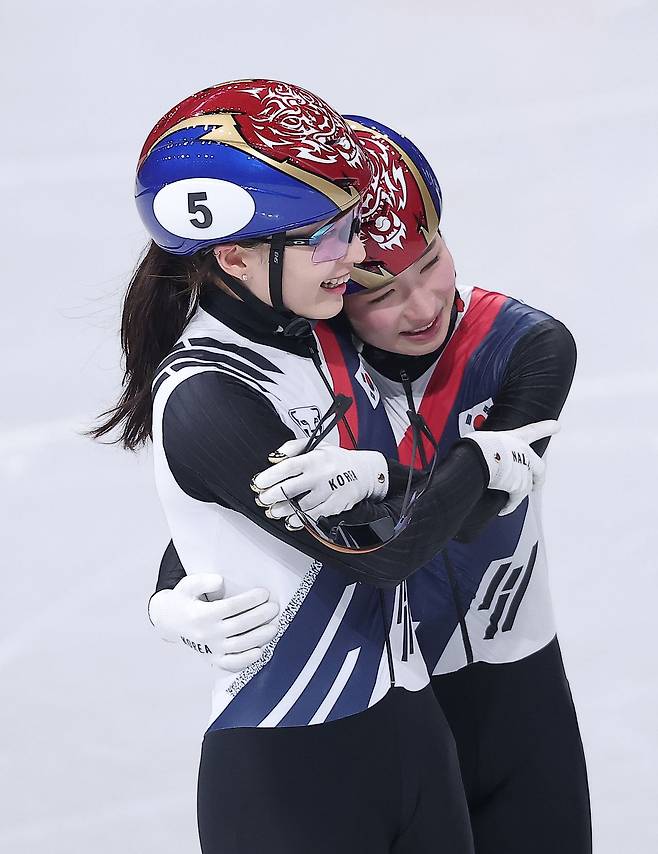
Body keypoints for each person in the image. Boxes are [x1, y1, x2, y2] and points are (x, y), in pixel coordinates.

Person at [95, 80, 554, 854]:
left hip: (417, 737)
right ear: (235, 252)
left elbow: (402, 512)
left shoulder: (314, 332)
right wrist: (473, 462)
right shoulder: (208, 395)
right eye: (331, 236)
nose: (357, 255)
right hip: (291, 764)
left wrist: (386, 478)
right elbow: (378, 554)